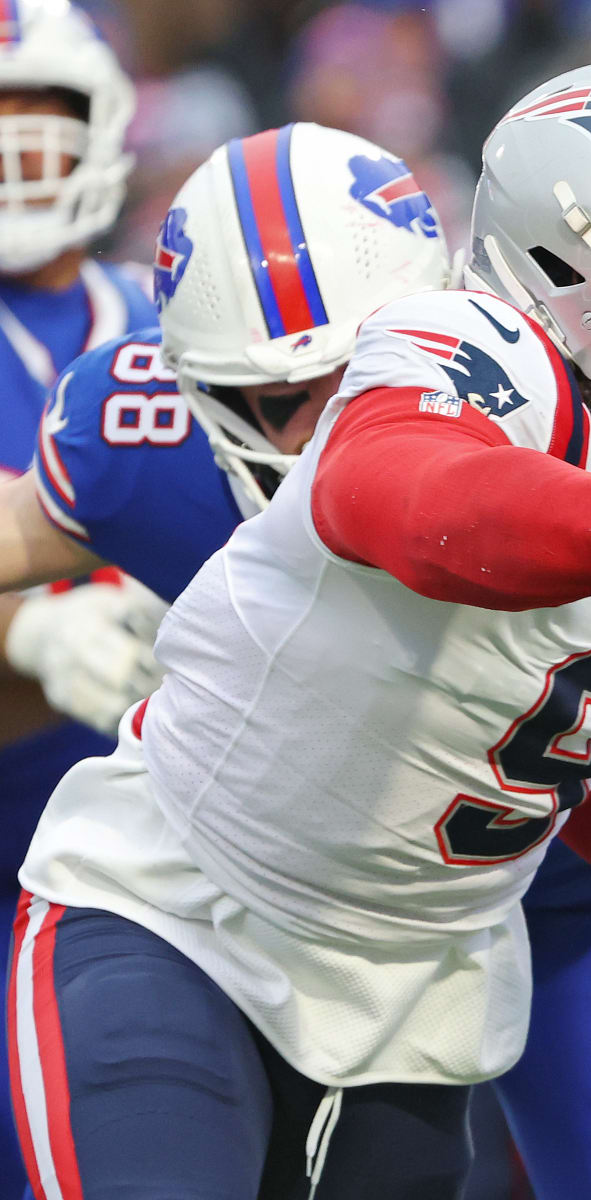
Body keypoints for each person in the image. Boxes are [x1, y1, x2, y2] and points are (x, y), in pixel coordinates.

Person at [7, 62, 591, 1199]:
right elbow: (393, 497)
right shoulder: (476, 352)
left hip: (413, 992)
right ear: (580, 269)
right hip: (186, 919)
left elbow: (574, 753)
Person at [0, 4, 149, 1192]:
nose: (10, 145)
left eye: (32, 114)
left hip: (171, 837)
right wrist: (26, 632)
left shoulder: (181, 315)